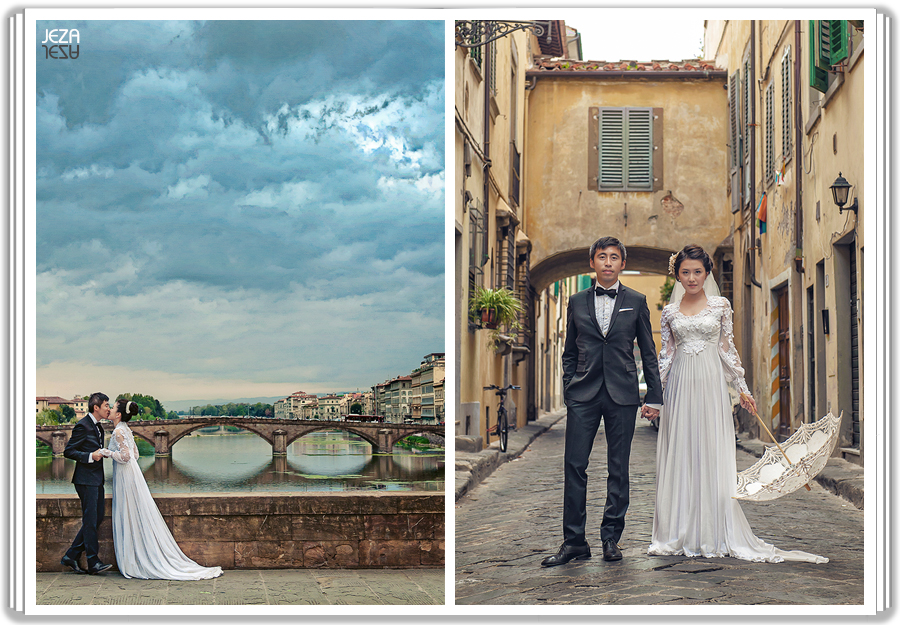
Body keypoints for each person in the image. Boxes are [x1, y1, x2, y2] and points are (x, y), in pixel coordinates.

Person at [647, 244, 827, 563]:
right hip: (679, 386)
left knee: (711, 450)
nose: (691, 278)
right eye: (685, 272)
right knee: (682, 450)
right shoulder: (669, 312)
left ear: (707, 273)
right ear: (677, 274)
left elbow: (726, 349)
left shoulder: (720, 306)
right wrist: (655, 400)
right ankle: (679, 531)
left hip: (711, 386)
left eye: (697, 272)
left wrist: (741, 388)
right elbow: (667, 356)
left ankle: (713, 529)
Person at [542, 236, 663, 567]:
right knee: (574, 466)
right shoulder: (577, 301)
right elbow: (569, 351)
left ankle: (611, 537)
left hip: (623, 394)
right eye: (601, 257)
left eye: (614, 257)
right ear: (592, 263)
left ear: (623, 264)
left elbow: (648, 353)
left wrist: (654, 395)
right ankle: (573, 542)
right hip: (583, 394)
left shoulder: (637, 301)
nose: (608, 262)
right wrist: (569, 386)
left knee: (618, 468)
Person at [100, 398, 223, 580]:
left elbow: (126, 457)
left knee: (128, 511)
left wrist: (106, 452)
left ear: (118, 414)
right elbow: (136, 454)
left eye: (113, 407)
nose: (109, 409)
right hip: (133, 474)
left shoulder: (118, 431)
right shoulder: (125, 429)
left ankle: (133, 560)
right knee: (136, 510)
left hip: (125, 475)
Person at [61, 392, 114, 574]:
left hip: (96, 479)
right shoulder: (82, 425)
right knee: (90, 521)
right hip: (85, 480)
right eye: (106, 405)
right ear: (96, 407)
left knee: (97, 518)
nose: (109, 408)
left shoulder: (98, 427)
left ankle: (71, 555)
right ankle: (93, 562)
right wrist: (91, 456)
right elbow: (68, 451)